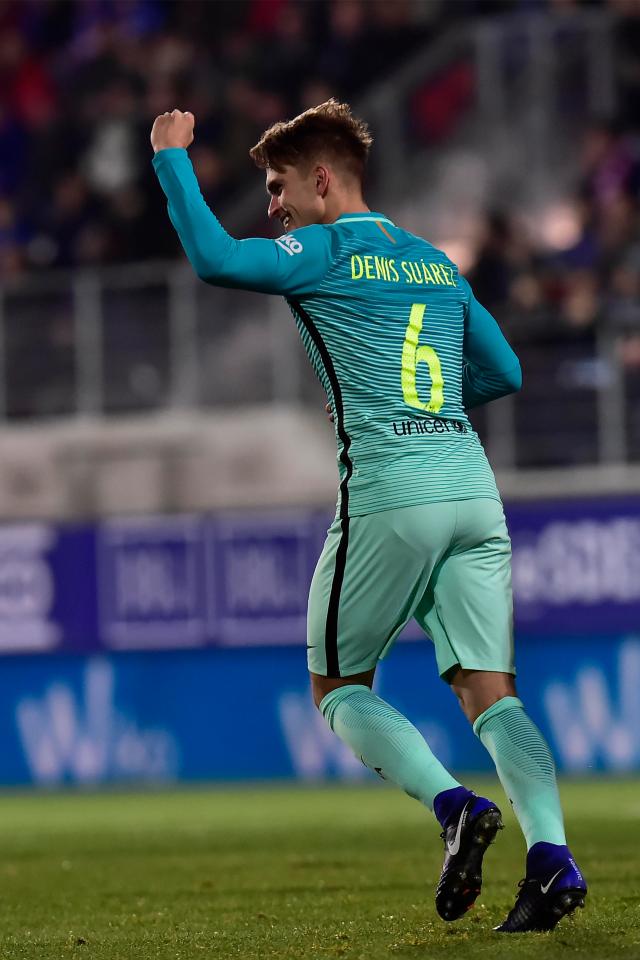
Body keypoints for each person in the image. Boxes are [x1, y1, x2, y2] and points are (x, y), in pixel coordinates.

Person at [150, 100, 587, 933]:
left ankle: (455, 808)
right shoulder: (431, 260)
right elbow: (505, 371)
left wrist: (170, 157)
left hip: (392, 497)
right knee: (492, 694)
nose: (273, 207)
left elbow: (211, 257)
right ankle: (554, 857)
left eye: (278, 188)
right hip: (473, 491)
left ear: (322, 182)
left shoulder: (323, 249)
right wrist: (428, 407)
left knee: (338, 686)